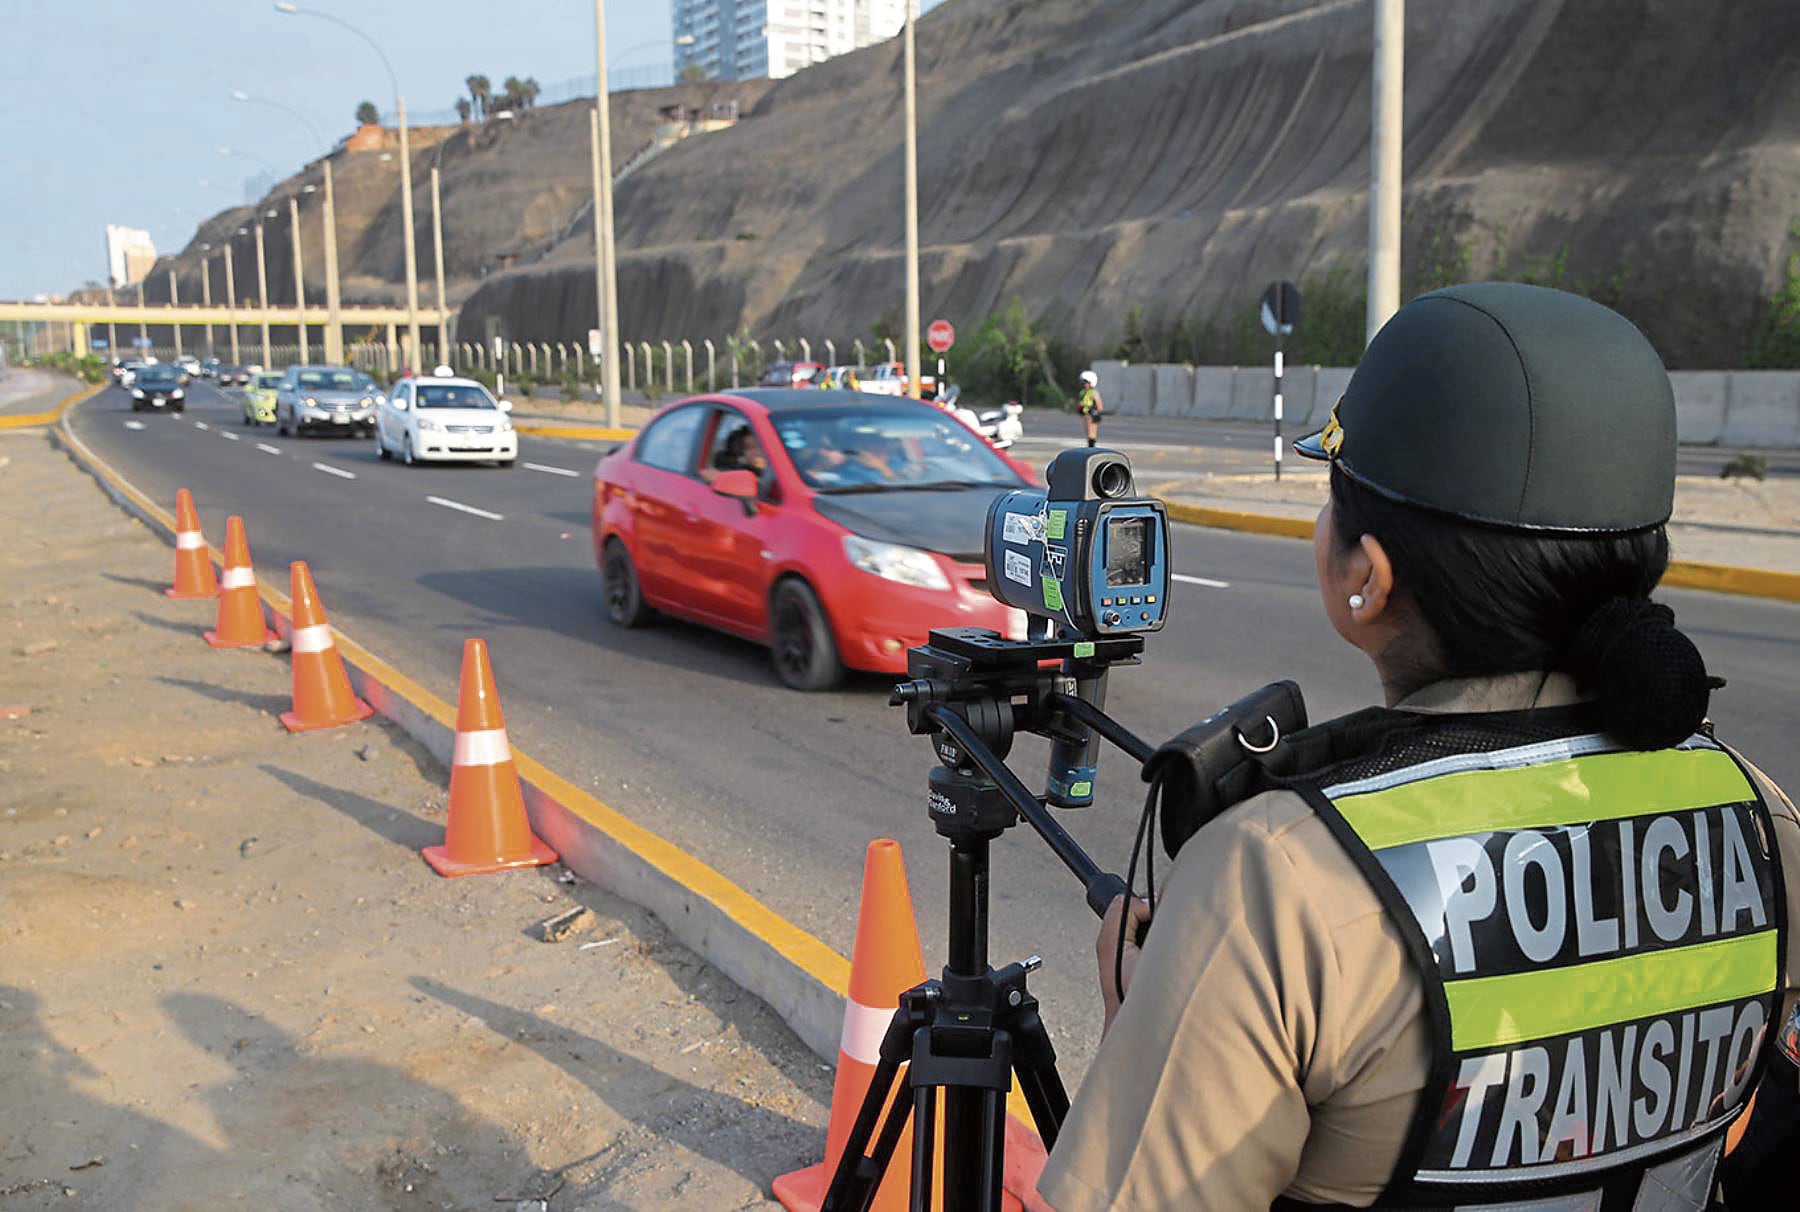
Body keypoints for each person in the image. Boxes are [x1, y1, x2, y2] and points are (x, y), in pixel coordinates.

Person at [1038, 283, 1800, 1210]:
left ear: (1367, 577)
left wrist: (1151, 1013)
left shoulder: (1272, 882)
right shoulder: (1763, 821)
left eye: (1332, 496)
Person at [1077, 369, 1104, 447]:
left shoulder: (1094, 392)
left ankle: (1091, 447)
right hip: (1085, 414)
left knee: (1091, 433)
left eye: (1086, 382)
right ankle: (1090, 446)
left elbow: (1100, 406)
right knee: (1087, 433)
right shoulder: (1083, 392)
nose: (1084, 384)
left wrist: (1095, 412)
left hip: (1092, 415)